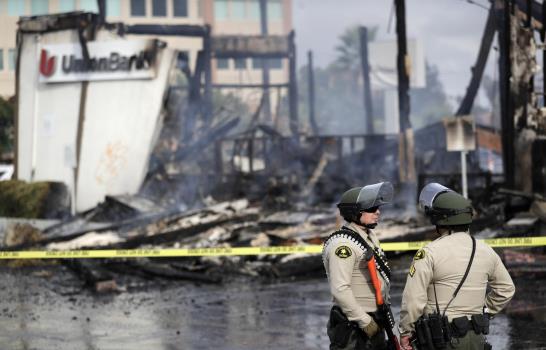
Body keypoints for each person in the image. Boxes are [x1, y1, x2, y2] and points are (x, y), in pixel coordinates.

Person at [398, 183, 515, 350]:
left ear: (438, 219)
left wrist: (405, 332)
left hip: (441, 340)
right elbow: (506, 289)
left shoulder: (429, 253)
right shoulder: (486, 250)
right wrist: (485, 312)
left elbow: (413, 300)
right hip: (477, 338)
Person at [322, 182, 395, 350]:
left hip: (374, 319)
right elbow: (340, 289)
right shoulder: (343, 245)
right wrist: (365, 321)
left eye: (377, 207)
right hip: (354, 326)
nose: (377, 212)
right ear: (355, 212)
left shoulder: (367, 236)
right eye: (371, 208)